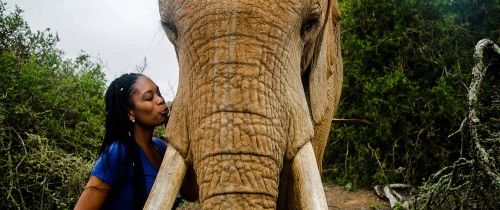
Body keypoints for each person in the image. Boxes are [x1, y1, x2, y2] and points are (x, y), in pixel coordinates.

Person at [74, 73, 175, 210]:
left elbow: (191, 193)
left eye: (159, 93)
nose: (160, 100)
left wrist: (177, 135)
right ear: (130, 113)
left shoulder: (161, 148)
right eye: (149, 98)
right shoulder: (119, 152)